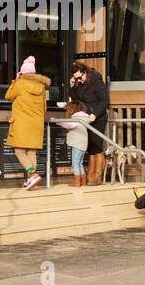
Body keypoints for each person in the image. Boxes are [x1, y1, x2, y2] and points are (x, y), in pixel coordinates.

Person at [5, 56, 51, 190]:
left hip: (22, 123)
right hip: (36, 124)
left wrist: (16, 80)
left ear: (22, 73)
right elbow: (44, 108)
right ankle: (30, 181)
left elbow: (8, 96)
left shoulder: (20, 83)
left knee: (19, 151)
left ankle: (32, 174)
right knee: (31, 153)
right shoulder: (41, 87)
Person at [68, 61, 110, 185]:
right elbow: (76, 100)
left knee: (96, 144)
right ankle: (88, 175)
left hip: (98, 117)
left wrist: (95, 114)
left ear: (84, 72)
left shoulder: (96, 80)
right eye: (76, 79)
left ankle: (96, 176)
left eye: (80, 77)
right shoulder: (79, 83)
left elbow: (104, 100)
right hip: (86, 118)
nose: (79, 80)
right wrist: (72, 86)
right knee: (89, 145)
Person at [55, 101, 95, 187]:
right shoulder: (84, 117)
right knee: (79, 163)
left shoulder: (76, 118)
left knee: (75, 163)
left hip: (77, 143)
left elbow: (70, 125)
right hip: (83, 143)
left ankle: (77, 182)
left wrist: (58, 121)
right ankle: (83, 181)